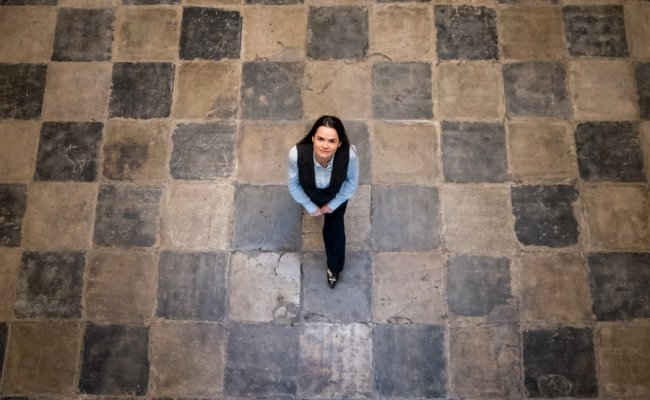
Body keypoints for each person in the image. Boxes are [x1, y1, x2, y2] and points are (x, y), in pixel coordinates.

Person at [287, 116, 359, 288]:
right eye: (320, 139)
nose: (325, 145)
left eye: (332, 141)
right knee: (311, 204)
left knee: (335, 231)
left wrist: (332, 205)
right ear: (313, 138)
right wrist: (310, 206)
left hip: (336, 195)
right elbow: (293, 184)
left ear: (339, 143)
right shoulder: (296, 154)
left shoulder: (349, 155)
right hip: (310, 191)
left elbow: (351, 183)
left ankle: (334, 267)